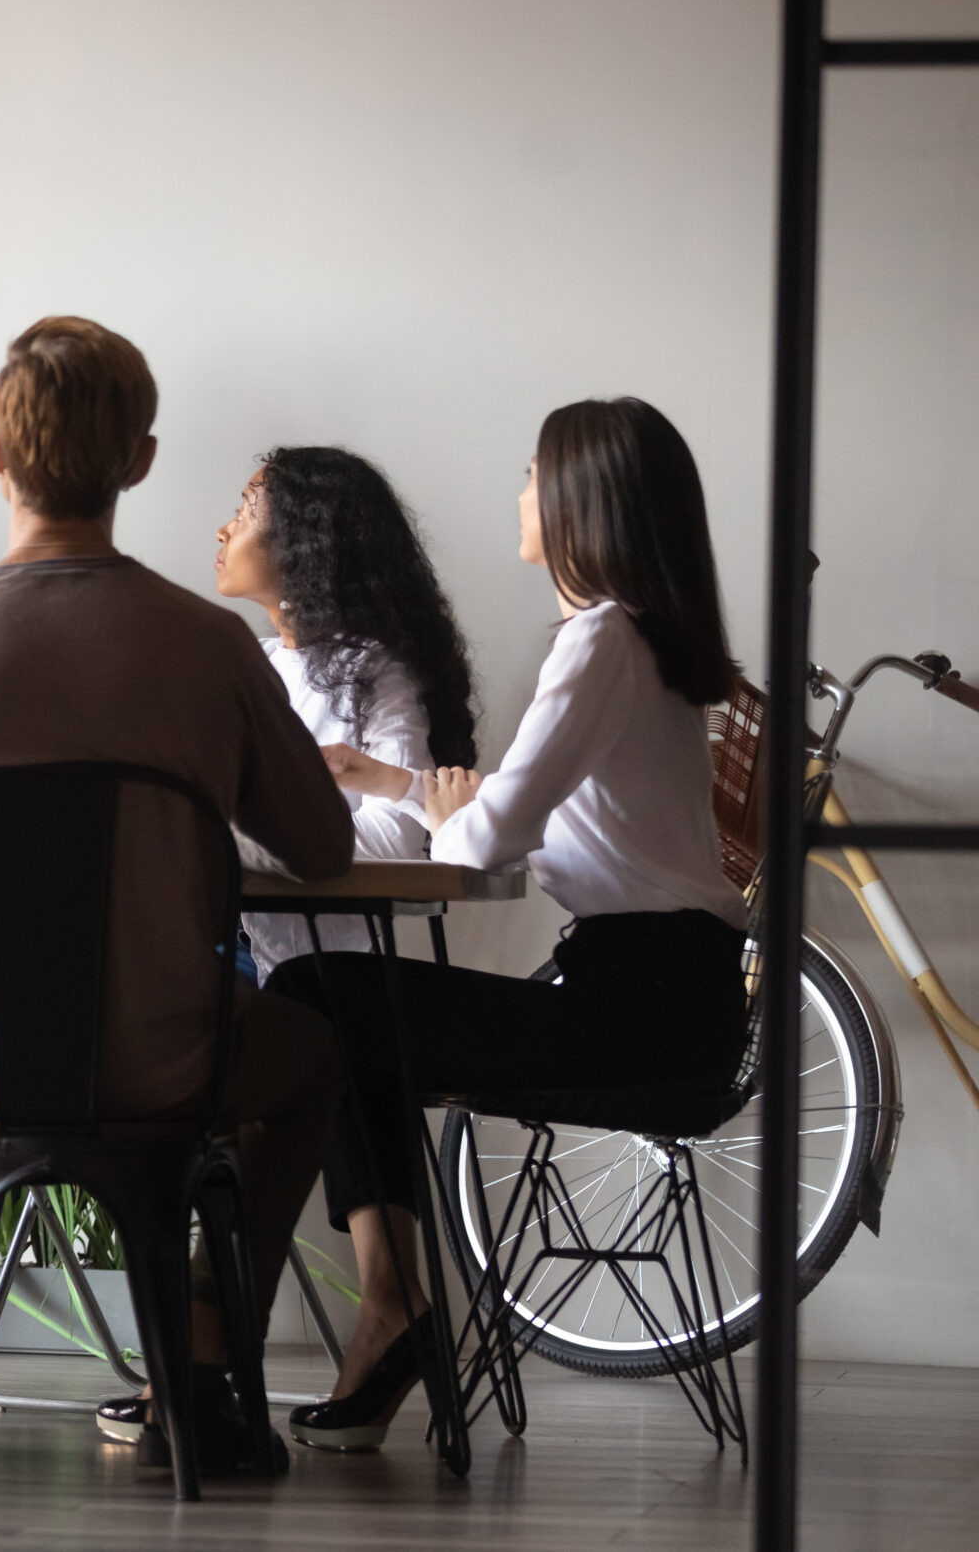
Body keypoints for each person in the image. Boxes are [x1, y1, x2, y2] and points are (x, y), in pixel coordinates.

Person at [0, 316, 351, 1476]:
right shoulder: (211, 646)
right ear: (137, 461)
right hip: (169, 1062)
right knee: (316, 1053)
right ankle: (196, 1351)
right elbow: (324, 848)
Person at [278, 396, 752, 1453]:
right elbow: (560, 811)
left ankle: (389, 1308)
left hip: (632, 1009)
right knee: (337, 1004)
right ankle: (390, 1309)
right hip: (675, 1000)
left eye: (534, 472)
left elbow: (487, 841)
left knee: (316, 997)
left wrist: (450, 816)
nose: (520, 491)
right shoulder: (641, 647)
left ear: (585, 500)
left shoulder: (596, 643)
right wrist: (401, 779)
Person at [212, 447, 478, 978]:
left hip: (307, 966)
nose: (224, 530)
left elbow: (400, 834)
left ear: (302, 542)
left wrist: (250, 842)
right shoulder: (247, 664)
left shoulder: (372, 669)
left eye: (245, 511)